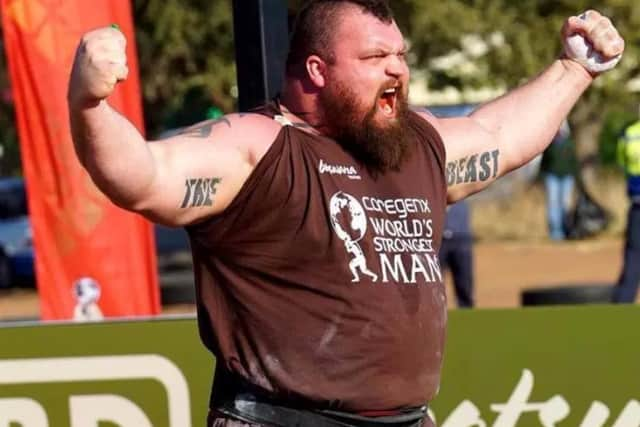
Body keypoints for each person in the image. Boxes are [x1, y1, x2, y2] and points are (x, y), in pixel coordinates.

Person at [67, 1, 624, 425]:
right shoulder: (258, 147)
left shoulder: (413, 147)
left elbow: (499, 136)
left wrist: (576, 69)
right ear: (316, 70)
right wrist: (89, 105)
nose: (398, 71)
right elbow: (143, 176)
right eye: (376, 58)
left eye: (400, 55)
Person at [612, 109, 640, 303]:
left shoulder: (630, 133)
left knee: (633, 254)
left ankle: (623, 302)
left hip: (637, 201)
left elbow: (621, 161)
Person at [540, 119, 578, 240]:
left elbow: (574, 163)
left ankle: (566, 229)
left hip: (567, 177)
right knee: (553, 203)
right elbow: (544, 162)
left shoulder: (569, 144)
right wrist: (541, 176)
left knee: (565, 204)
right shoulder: (549, 144)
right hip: (552, 177)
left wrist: (577, 177)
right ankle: (556, 232)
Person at [439, 201, 474, 308]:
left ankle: (467, 319)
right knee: (433, 285)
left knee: (464, 284)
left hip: (461, 237)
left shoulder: (460, 184)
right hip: (437, 239)